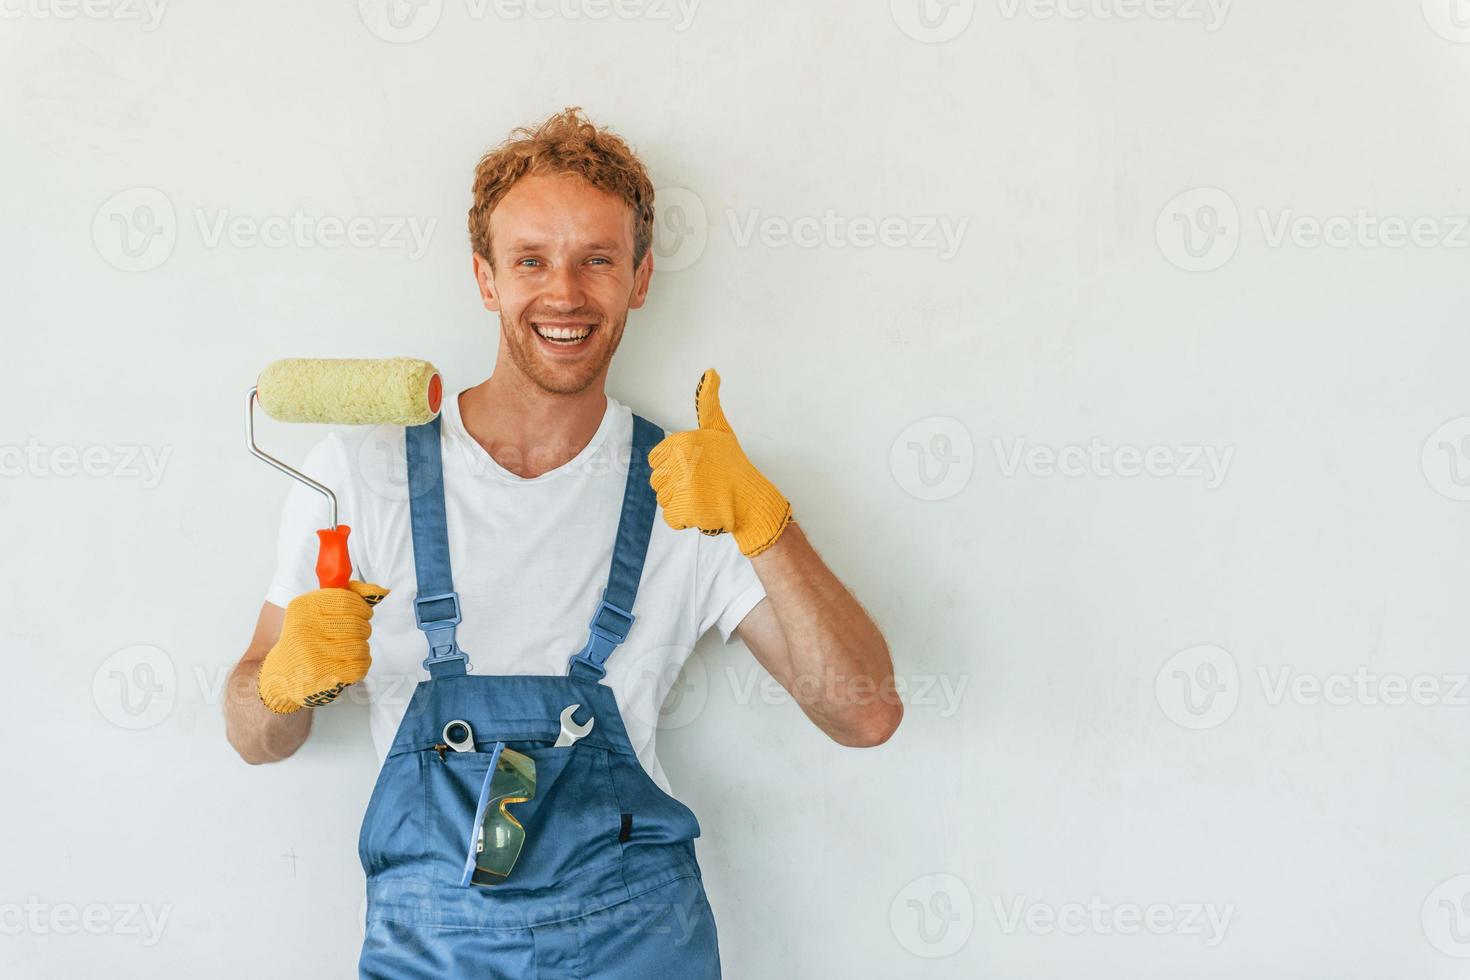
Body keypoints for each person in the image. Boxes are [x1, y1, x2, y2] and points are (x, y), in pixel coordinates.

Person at [223, 106, 901, 977]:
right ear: (485, 278)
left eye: (597, 260)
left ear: (640, 278)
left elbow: (865, 714)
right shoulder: (358, 474)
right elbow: (251, 737)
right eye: (531, 260)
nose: (565, 294)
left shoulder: (692, 486)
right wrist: (281, 690)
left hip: (636, 945)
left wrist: (766, 526)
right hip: (428, 947)